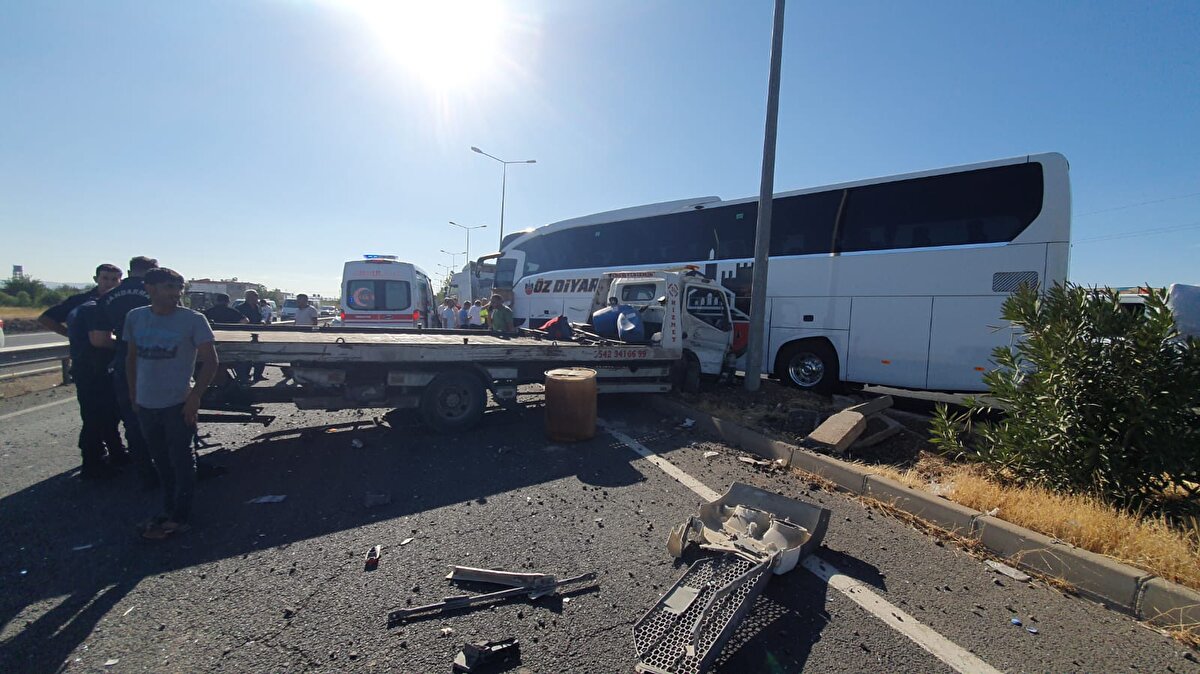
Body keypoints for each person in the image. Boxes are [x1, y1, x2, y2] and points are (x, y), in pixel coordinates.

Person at [124, 268, 218, 540]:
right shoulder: (135, 318)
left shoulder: (193, 320)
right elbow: (131, 359)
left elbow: (210, 362)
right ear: (150, 288)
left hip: (177, 403)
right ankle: (168, 508)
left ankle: (181, 516)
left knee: (181, 459)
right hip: (146, 403)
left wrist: (195, 396)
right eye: (169, 287)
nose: (176, 294)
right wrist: (133, 394)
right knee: (161, 460)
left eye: (179, 288)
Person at [90, 256, 159, 488]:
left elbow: (99, 339)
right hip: (161, 362)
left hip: (125, 363)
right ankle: (173, 471)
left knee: (134, 420)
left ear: (129, 271)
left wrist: (124, 345)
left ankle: (145, 475)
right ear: (154, 272)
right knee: (170, 416)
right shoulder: (162, 292)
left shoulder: (107, 297)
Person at [53, 264, 126, 479]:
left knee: (104, 415)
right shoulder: (95, 307)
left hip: (88, 366)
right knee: (97, 417)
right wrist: (125, 345)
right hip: (94, 369)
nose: (110, 283)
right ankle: (93, 465)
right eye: (106, 278)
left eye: (114, 280)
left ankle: (115, 454)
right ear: (96, 279)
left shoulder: (83, 306)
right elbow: (100, 340)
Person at [237, 290, 266, 381]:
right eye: (256, 296)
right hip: (245, 335)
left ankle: (258, 375)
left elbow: (260, 317)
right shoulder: (240, 308)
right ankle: (245, 376)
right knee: (246, 357)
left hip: (258, 334)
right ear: (249, 297)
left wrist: (263, 321)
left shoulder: (257, 307)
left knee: (261, 355)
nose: (257, 298)